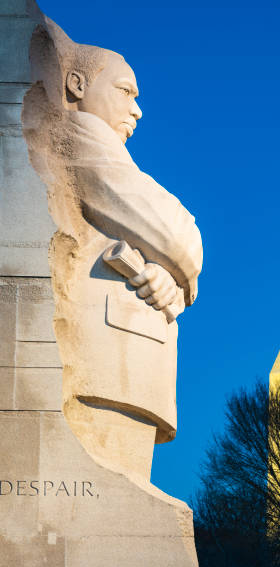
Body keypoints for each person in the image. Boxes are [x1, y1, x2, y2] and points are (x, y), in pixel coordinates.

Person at [23, 18, 203, 485]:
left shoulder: (103, 151)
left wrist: (172, 278)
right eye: (126, 91)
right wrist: (178, 259)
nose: (137, 110)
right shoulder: (77, 136)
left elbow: (169, 242)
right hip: (106, 354)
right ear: (77, 84)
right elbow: (177, 231)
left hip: (128, 356)